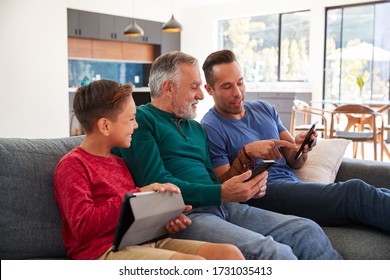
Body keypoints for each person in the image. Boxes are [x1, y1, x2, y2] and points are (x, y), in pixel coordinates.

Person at [114, 51, 342, 260]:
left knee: (307, 230)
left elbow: (215, 183)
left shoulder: (195, 128)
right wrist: (222, 192)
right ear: (168, 88)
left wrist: (242, 184)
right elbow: (157, 183)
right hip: (189, 216)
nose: (202, 95)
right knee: (273, 253)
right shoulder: (142, 121)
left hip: (225, 206)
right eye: (194, 87)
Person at [200, 49, 390, 233]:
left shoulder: (264, 109)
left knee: (379, 192)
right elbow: (225, 187)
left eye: (240, 83)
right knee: (355, 192)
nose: (238, 92)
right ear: (209, 89)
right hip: (263, 194)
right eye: (227, 86)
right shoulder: (210, 127)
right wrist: (246, 153)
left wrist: (301, 148)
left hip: (293, 185)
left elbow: (294, 160)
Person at [54, 79, 245, 260]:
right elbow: (83, 226)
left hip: (144, 242)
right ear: (105, 125)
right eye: (130, 119)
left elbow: (129, 218)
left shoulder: (118, 163)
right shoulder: (73, 165)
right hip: (103, 252)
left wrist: (164, 220)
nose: (136, 126)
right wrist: (137, 195)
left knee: (230, 254)